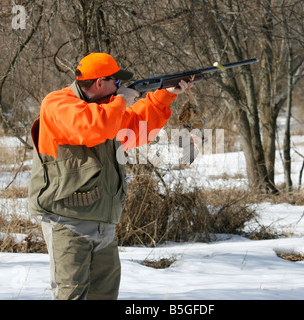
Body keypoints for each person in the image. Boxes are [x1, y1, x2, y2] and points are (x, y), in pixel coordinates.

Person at [28, 52, 191, 300]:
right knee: (71, 295)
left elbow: (139, 127)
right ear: (100, 83)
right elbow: (93, 128)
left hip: (104, 222)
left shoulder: (107, 108)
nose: (120, 87)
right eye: (116, 82)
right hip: (67, 222)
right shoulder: (58, 104)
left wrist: (167, 93)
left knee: (104, 296)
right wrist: (121, 101)